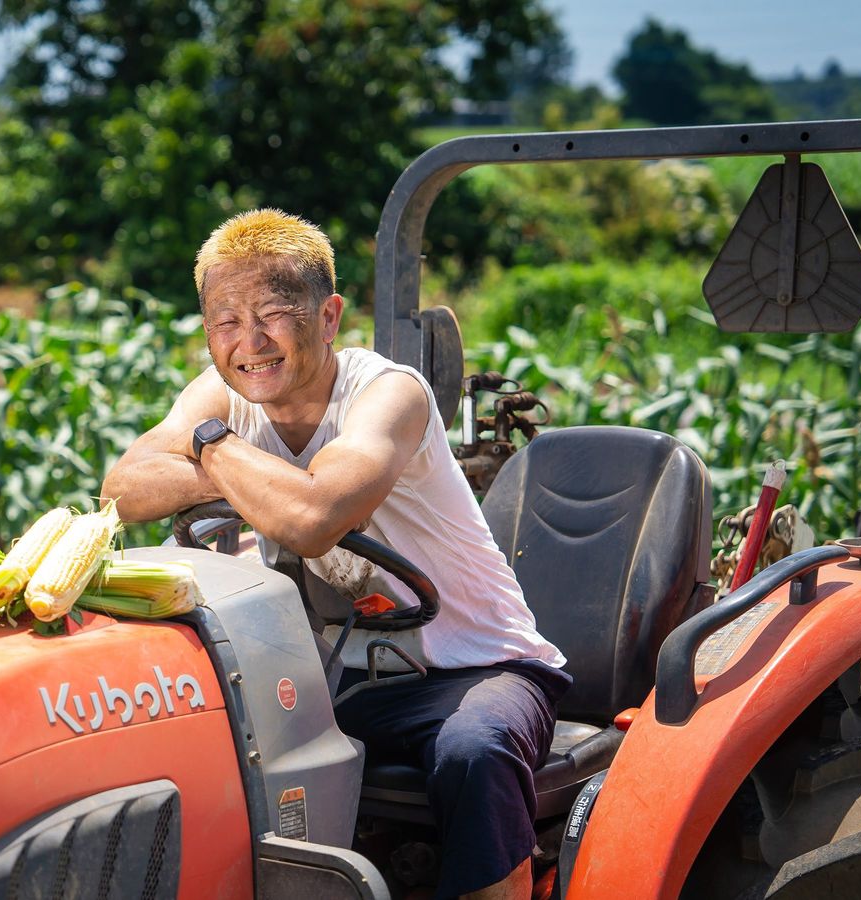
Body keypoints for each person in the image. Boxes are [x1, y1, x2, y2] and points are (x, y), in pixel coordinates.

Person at [101, 208, 569, 900]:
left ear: (327, 317)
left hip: (471, 666)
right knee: (191, 731)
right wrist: (225, 452)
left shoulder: (387, 396)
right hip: (340, 672)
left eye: (272, 314)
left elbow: (315, 519)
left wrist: (209, 444)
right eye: (226, 322)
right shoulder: (223, 399)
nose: (249, 342)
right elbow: (124, 485)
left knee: (477, 751)